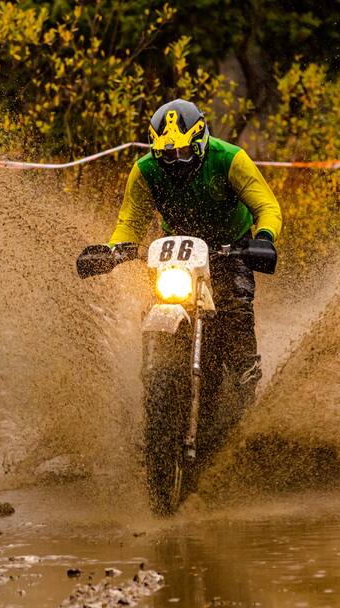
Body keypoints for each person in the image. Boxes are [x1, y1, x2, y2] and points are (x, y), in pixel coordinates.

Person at [108, 98, 282, 444]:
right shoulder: (145, 170)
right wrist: (114, 250)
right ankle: (156, 381)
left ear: (200, 141)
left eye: (184, 152)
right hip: (176, 250)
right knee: (156, 302)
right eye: (167, 155)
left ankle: (245, 379)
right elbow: (129, 222)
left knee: (235, 308)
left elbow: (267, 206)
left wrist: (263, 238)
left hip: (230, 248)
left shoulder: (230, 158)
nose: (175, 162)